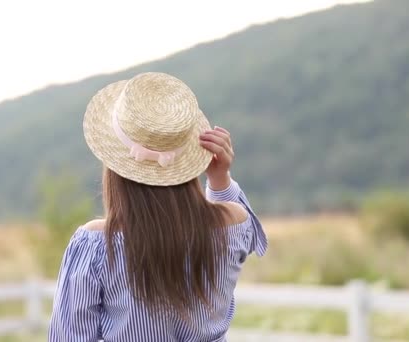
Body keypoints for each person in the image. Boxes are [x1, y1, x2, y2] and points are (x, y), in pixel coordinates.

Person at [48, 72, 267, 342]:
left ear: (115, 167)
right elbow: (248, 234)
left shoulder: (97, 243)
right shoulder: (232, 226)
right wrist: (220, 178)